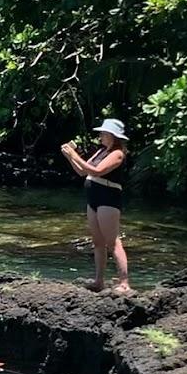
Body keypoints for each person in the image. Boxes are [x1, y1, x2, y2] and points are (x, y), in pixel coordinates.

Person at [60, 118, 132, 294]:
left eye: (103, 133)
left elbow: (97, 171)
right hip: (93, 198)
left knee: (112, 241)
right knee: (98, 242)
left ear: (112, 136)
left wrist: (74, 154)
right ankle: (99, 281)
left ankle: (124, 282)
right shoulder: (101, 151)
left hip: (108, 198)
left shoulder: (117, 153)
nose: (100, 136)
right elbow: (83, 171)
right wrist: (69, 157)